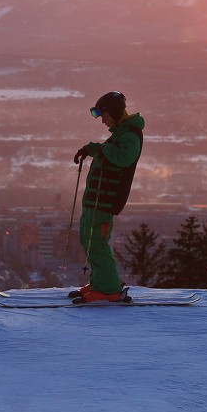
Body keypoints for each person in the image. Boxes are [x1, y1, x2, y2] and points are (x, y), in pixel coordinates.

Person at [72, 91, 145, 302]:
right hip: (95, 201)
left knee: (97, 243)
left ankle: (110, 289)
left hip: (104, 201)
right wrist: (92, 149)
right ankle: (99, 283)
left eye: (103, 115)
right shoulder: (120, 133)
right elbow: (109, 150)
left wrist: (101, 150)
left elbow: (123, 157)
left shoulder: (130, 135)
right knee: (88, 240)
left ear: (113, 111)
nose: (102, 120)